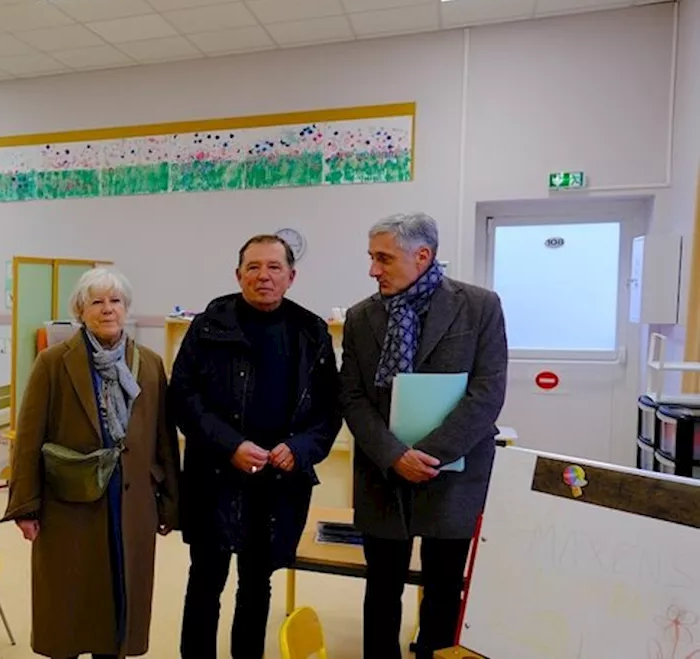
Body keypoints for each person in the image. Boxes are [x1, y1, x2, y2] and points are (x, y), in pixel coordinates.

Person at [339, 213, 507, 659]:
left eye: (384, 258)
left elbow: (487, 393)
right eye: (372, 258)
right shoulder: (360, 317)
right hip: (382, 469)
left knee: (444, 588)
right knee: (381, 587)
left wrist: (428, 454)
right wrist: (395, 456)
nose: (374, 270)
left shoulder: (479, 307)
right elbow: (352, 396)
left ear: (423, 256)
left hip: (451, 472)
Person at [172, 235, 342, 659]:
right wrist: (231, 445)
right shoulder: (209, 325)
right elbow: (183, 398)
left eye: (273, 267)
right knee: (206, 580)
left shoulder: (311, 331)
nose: (263, 276)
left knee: (257, 582)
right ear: (238, 274)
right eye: (253, 267)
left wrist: (299, 449)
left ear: (291, 276)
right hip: (215, 475)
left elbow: (328, 409)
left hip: (278, 481)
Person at [3, 266, 181, 659]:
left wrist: (169, 502)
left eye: (115, 301)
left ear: (127, 308)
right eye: (96, 302)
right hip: (70, 500)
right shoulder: (54, 362)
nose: (107, 310)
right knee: (70, 594)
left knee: (121, 591)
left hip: (131, 499)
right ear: (80, 311)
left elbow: (163, 439)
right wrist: (25, 506)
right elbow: (29, 439)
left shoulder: (148, 364)